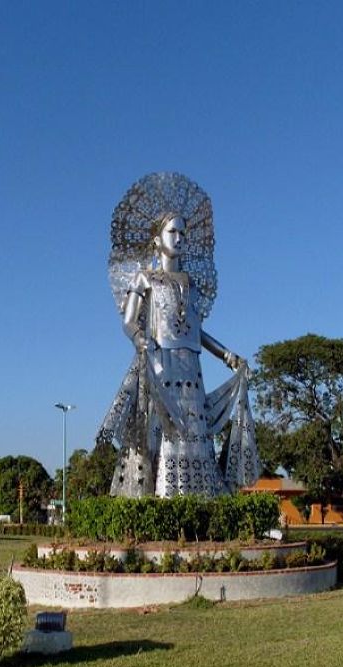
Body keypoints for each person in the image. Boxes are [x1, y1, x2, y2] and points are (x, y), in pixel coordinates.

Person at [98, 172, 259, 498]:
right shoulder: (145, 279)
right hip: (160, 363)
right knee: (163, 429)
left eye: (183, 232)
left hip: (191, 368)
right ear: (157, 239)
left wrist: (227, 355)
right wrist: (138, 338)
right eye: (172, 231)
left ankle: (199, 495)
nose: (179, 238)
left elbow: (197, 331)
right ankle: (162, 494)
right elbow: (128, 321)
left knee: (194, 430)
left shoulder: (190, 284)